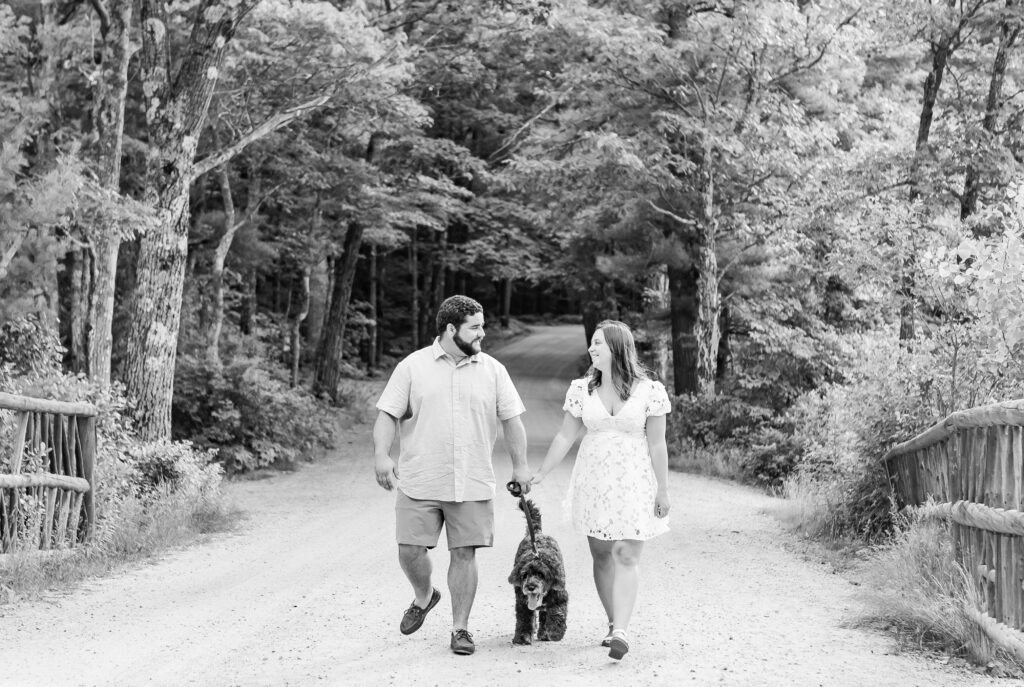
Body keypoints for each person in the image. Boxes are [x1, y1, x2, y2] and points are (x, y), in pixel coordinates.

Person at [373, 294, 531, 656]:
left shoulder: (493, 370)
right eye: (475, 327)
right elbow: (387, 415)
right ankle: (424, 596)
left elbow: (512, 420)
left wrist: (520, 465)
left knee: (464, 554)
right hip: (420, 479)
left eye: (482, 326)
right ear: (450, 329)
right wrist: (381, 455)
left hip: (472, 480)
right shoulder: (412, 367)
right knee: (409, 550)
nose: (482, 334)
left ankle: (460, 628)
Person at [530, 319, 671, 660]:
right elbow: (565, 436)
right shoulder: (581, 389)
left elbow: (657, 445)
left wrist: (663, 490)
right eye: (591, 344)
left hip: (634, 482)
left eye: (598, 344)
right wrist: (540, 474)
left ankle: (622, 631)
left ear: (617, 348)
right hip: (593, 482)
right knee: (601, 555)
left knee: (626, 554)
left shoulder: (650, 391)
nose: (591, 349)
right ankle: (612, 622)